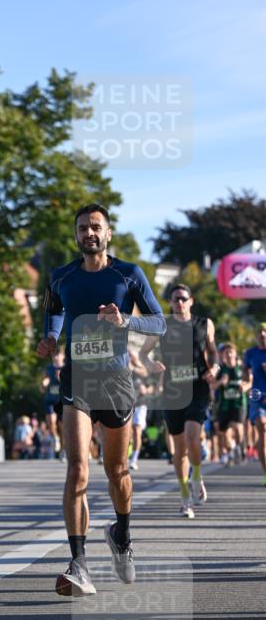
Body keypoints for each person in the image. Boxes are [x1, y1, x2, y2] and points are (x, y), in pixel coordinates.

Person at [37, 202, 166, 596]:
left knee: (117, 472)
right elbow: (54, 312)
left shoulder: (128, 274)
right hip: (77, 378)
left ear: (108, 233)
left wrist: (126, 320)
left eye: (96, 227)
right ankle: (78, 563)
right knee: (77, 470)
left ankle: (121, 533)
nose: (89, 233)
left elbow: (159, 321)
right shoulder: (62, 277)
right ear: (76, 235)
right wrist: (52, 338)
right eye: (82, 228)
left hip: (116, 380)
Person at [139, 283, 218, 518]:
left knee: (194, 437)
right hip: (173, 391)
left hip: (198, 388)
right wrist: (151, 365)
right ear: (171, 303)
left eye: (183, 298)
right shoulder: (162, 325)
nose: (179, 302)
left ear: (191, 301)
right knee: (179, 450)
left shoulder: (205, 324)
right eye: (175, 299)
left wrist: (215, 366)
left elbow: (213, 351)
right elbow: (143, 353)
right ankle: (185, 498)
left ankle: (196, 476)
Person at [212, 344, 246, 465]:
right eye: (226, 353)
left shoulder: (241, 369)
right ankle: (232, 450)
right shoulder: (220, 370)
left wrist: (245, 387)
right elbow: (212, 386)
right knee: (225, 434)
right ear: (223, 356)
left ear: (235, 354)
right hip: (224, 405)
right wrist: (221, 382)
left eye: (231, 352)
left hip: (239, 404)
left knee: (238, 427)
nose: (229, 355)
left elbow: (250, 382)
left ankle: (240, 448)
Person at [242, 323, 266, 485]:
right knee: (262, 428)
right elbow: (245, 372)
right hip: (258, 397)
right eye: (259, 332)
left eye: (265, 332)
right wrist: (246, 376)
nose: (262, 334)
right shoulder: (251, 353)